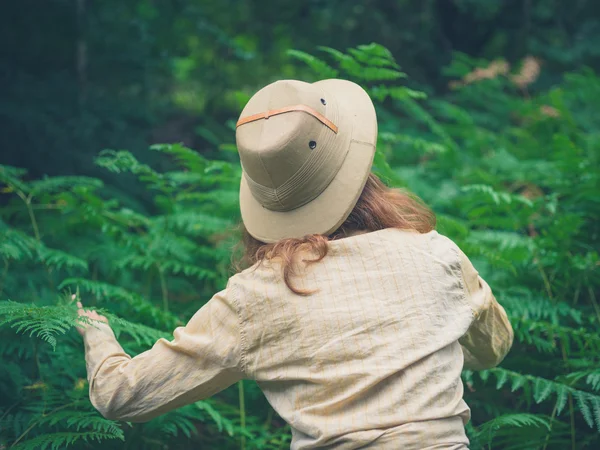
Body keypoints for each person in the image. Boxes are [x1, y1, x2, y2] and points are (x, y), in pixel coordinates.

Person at [77, 79, 514, 449]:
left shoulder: (256, 296)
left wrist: (93, 330)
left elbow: (121, 396)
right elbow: (493, 347)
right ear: (357, 168)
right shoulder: (436, 254)